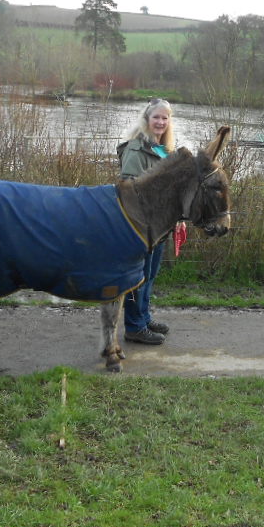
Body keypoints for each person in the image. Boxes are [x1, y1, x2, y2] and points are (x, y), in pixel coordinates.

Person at [116, 98, 187, 345]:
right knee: (138, 276)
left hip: (159, 227)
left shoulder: (162, 149)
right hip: (140, 227)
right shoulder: (136, 149)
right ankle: (134, 327)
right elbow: (129, 190)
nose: (160, 122)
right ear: (147, 119)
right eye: (156, 117)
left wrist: (176, 216)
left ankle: (144, 318)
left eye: (165, 118)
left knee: (150, 275)